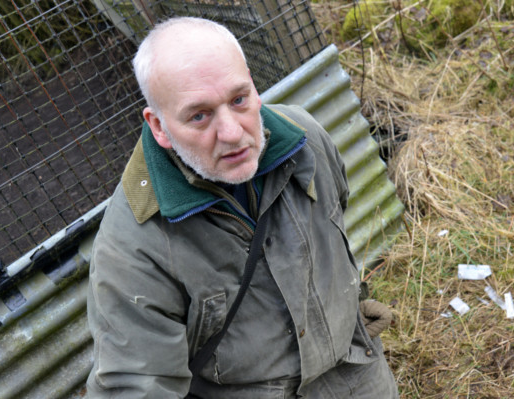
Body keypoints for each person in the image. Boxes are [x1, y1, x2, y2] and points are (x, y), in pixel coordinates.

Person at [86, 16, 399, 398]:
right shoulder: (133, 246)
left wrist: (346, 320)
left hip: (355, 374)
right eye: (199, 115)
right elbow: (135, 387)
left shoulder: (305, 140)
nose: (232, 133)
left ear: (252, 84)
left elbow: (334, 236)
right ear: (158, 126)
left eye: (238, 100)